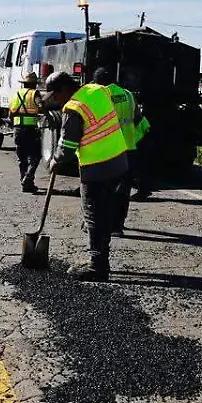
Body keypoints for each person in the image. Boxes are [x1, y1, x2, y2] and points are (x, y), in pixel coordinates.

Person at [45, 71, 129, 281]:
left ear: (64, 89)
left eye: (55, 95)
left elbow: (67, 145)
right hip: (118, 161)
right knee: (106, 213)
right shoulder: (97, 90)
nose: (55, 100)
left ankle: (97, 267)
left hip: (97, 168)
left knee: (94, 217)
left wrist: (55, 160)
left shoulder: (73, 108)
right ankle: (101, 261)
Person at [92, 67, 148, 234]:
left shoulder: (100, 95)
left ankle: (98, 222)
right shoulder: (128, 95)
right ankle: (117, 226)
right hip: (129, 149)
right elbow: (138, 120)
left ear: (97, 82)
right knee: (123, 190)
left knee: (102, 189)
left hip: (107, 150)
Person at [8, 72, 43, 193]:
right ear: (33, 84)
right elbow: (40, 105)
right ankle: (28, 179)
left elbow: (10, 113)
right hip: (31, 130)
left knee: (21, 158)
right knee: (35, 157)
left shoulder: (17, 94)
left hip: (18, 130)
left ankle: (25, 183)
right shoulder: (35, 93)